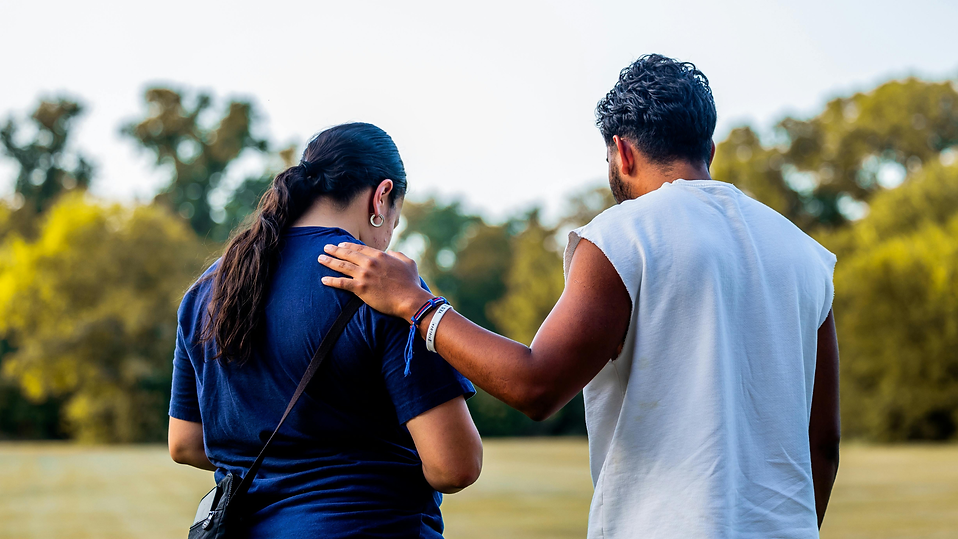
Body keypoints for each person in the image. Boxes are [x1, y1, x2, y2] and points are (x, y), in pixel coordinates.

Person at [317, 55, 840, 538]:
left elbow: (537, 386)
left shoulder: (624, 235)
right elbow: (824, 443)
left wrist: (416, 304)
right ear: (709, 148)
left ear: (622, 151)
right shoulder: (806, 255)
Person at [167, 122, 483, 538]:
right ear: (381, 196)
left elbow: (186, 442)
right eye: (395, 221)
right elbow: (454, 466)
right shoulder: (383, 286)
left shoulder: (209, 289)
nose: (388, 239)